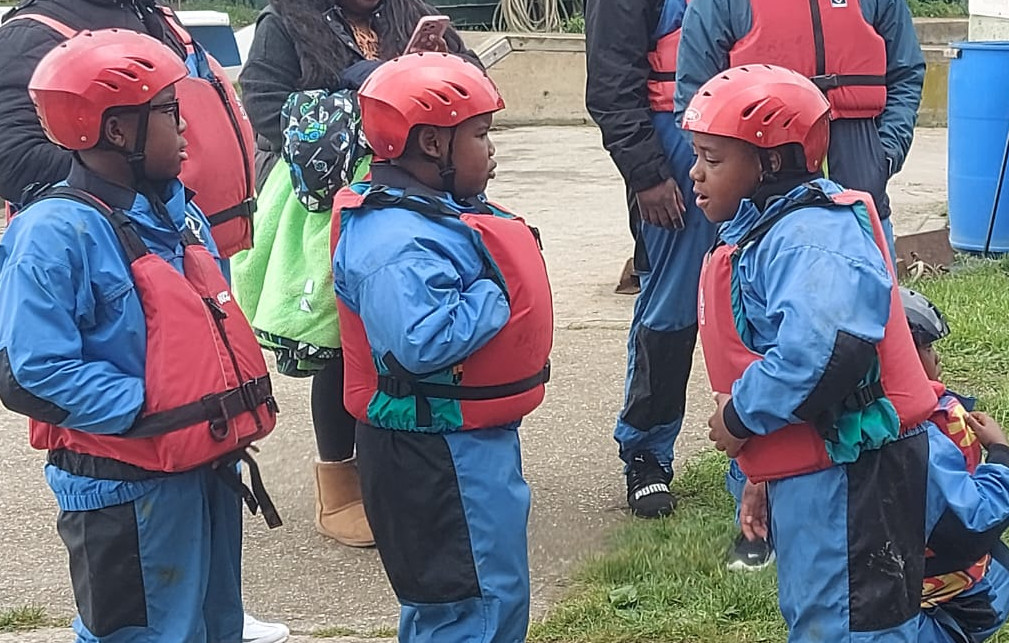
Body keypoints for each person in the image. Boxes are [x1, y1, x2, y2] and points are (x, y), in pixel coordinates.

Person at [0, 29, 282, 643]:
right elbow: (33, 370)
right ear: (117, 130)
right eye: (170, 113)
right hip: (124, 484)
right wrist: (150, 409)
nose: (187, 131)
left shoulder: (176, 212)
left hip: (198, 464)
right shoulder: (53, 234)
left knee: (212, 628)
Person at [688, 64, 937, 641]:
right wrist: (760, 474)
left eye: (712, 159)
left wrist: (741, 415)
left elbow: (827, 349)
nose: (695, 175)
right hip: (821, 472)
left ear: (770, 162)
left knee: (851, 626)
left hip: (855, 480)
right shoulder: (770, 229)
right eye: (696, 156)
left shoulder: (811, 237)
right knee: (821, 618)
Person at [234, 0, 476, 546]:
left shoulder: (416, 14)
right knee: (341, 339)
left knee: (410, 330)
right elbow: (265, 108)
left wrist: (440, 69)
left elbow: (473, 87)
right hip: (323, 206)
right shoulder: (284, 22)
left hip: (415, 191)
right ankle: (339, 484)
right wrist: (367, 100)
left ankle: (403, 465)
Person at [331, 52, 552, 643]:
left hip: (462, 443)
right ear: (432, 144)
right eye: (480, 134)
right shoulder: (393, 241)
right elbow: (418, 340)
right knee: (465, 609)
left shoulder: (433, 216)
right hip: (431, 455)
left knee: (491, 596)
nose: (492, 149)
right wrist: (497, 290)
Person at [738, 287, 1009, 642]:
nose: (936, 357)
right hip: (887, 609)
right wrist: (1001, 454)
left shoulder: (781, 442)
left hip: (820, 606)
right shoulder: (912, 440)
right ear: (896, 356)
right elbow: (970, 527)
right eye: (925, 347)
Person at [585, 0, 717, 519]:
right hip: (673, 154)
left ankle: (765, 454)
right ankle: (647, 455)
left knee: (763, 304)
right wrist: (646, 173)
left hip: (761, 145)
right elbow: (611, 83)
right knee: (670, 312)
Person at [0, 0, 255, 257]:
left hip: (191, 242)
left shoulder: (147, 12)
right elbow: (13, 158)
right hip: (112, 257)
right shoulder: (28, 35)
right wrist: (134, 189)